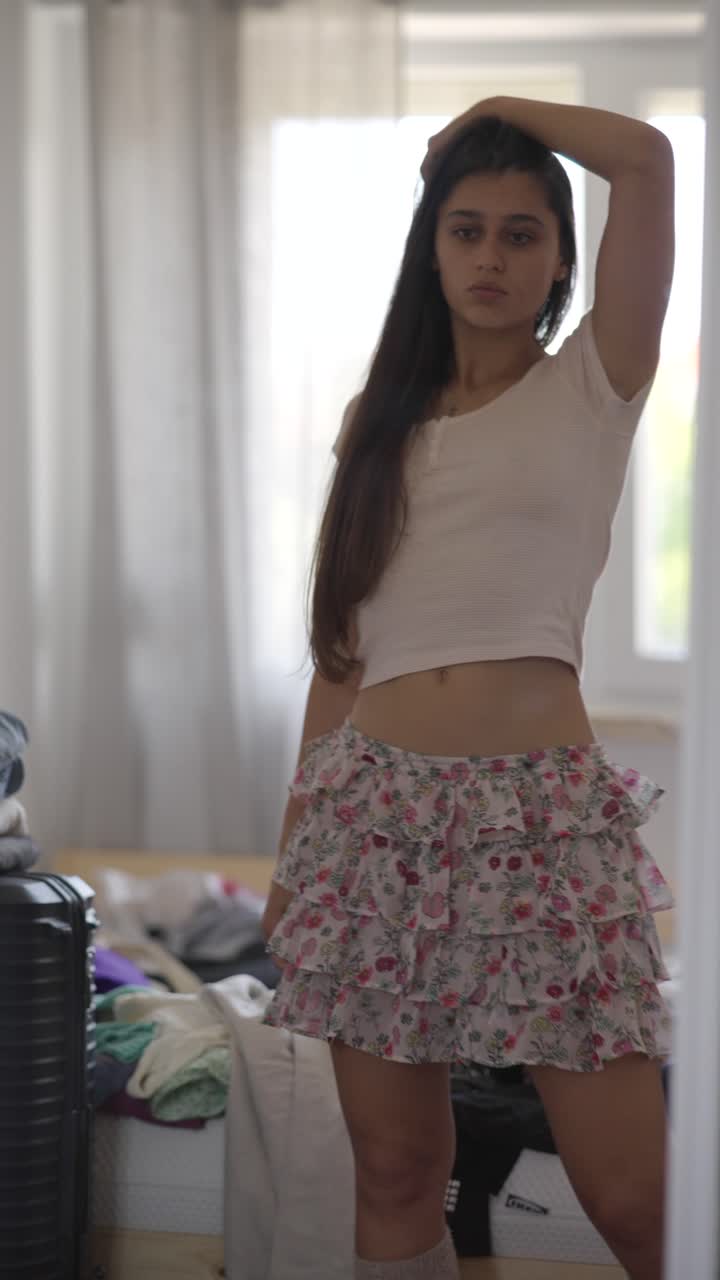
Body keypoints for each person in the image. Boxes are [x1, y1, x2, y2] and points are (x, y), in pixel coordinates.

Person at [261, 95, 676, 1280]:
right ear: (431, 249)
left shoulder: (597, 378)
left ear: (560, 259)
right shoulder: (377, 421)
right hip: (373, 824)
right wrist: (293, 854)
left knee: (636, 1196)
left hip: (541, 820)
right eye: (466, 230)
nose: (491, 256)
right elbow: (343, 653)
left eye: (521, 233)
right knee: (396, 1172)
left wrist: (491, 112)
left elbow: (646, 159)